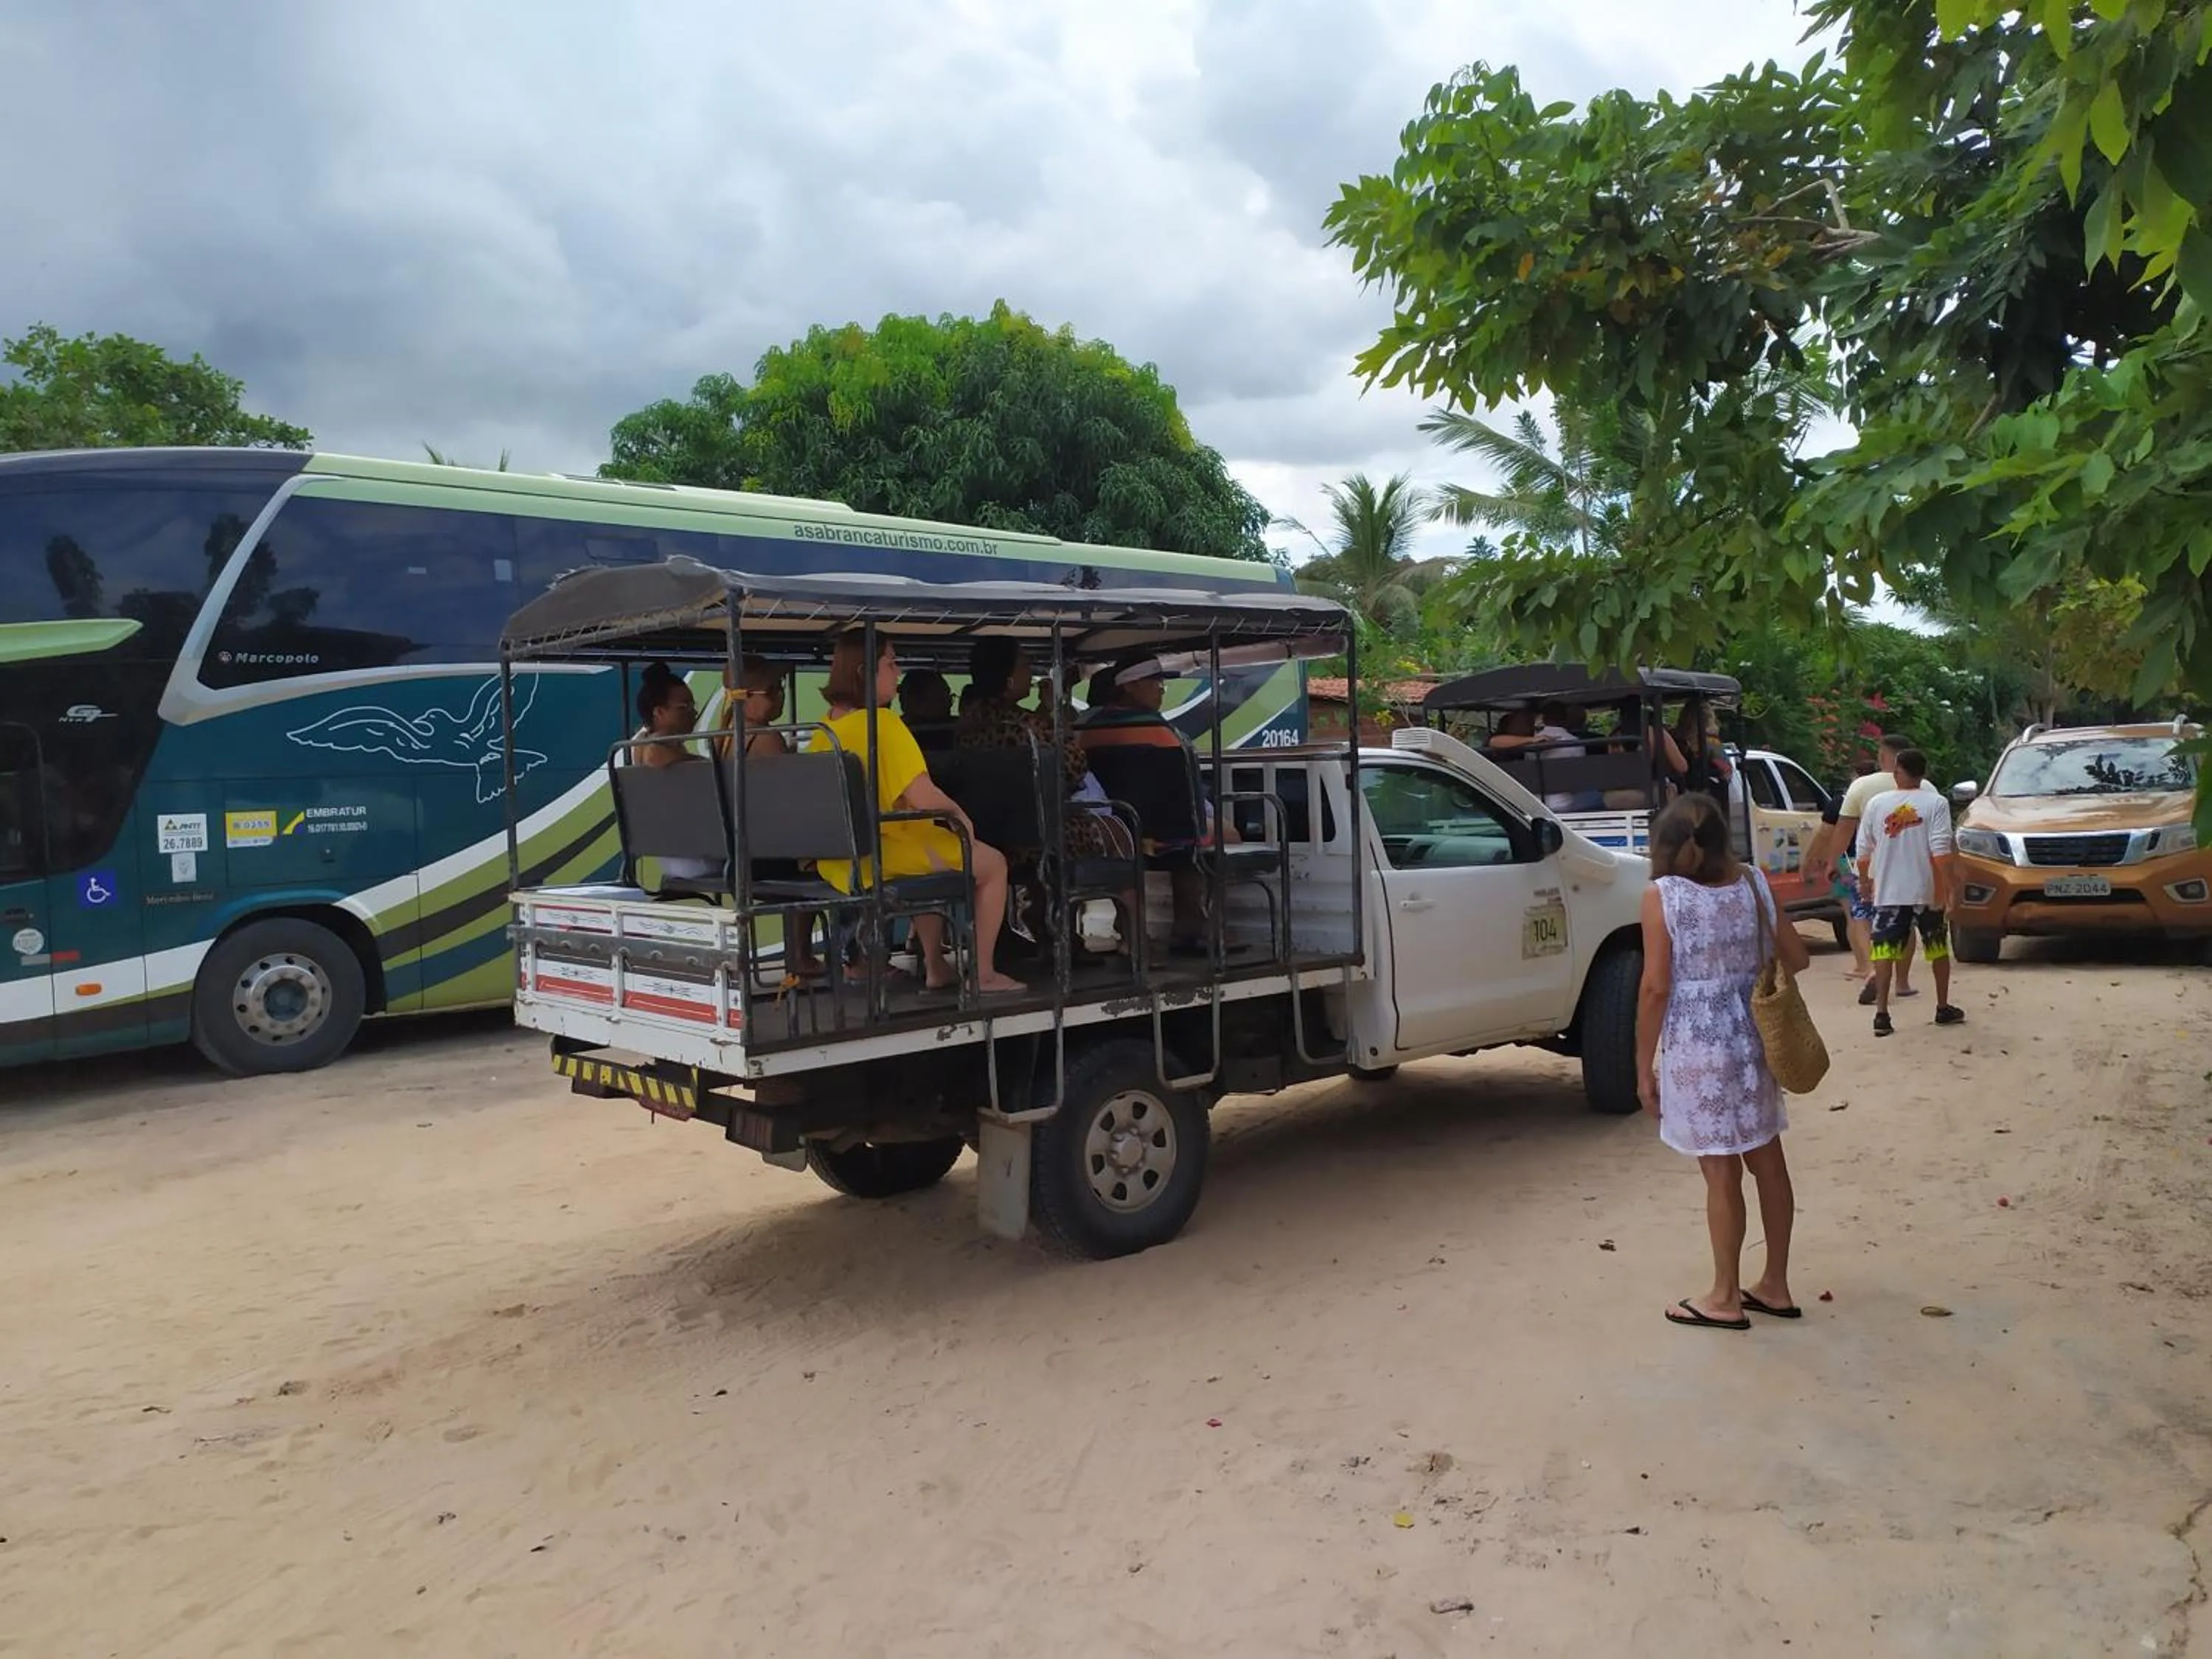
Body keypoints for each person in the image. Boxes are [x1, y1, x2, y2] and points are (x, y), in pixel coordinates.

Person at [1636, 792, 1809, 1331]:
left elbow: (1656, 988)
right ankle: (1775, 1285)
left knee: (1719, 1171)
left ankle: (1724, 1296)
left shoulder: (1663, 896)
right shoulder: (1754, 883)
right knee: (1768, 1162)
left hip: (1698, 1044)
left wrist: (1643, 1066)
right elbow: (1798, 956)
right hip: (1754, 1034)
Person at [813, 632, 1021, 995]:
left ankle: (937, 966)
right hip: (881, 855)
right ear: (865, 672)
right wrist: (962, 817)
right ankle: (984, 973)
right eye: (891, 664)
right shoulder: (883, 724)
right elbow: (925, 796)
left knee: (931, 845)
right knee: (993, 864)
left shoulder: (824, 728)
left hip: (840, 860)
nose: (898, 673)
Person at [1854, 747, 1964, 1037]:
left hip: (1889, 890)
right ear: (1924, 774)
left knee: (1885, 951)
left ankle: (1882, 1015)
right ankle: (1942, 1007)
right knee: (1938, 948)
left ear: (1897, 772)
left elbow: (1863, 849)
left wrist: (1864, 881)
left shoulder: (1877, 804)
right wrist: (1950, 890)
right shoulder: (1936, 803)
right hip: (1927, 890)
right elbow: (1941, 851)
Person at [1810, 734, 1918, 1004]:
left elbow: (1843, 829)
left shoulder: (1861, 786)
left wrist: (1833, 862)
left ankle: (1872, 970)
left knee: (1862, 918)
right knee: (1906, 923)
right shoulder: (1924, 786)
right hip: (1907, 869)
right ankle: (1902, 982)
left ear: (1883, 757)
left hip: (1869, 868)